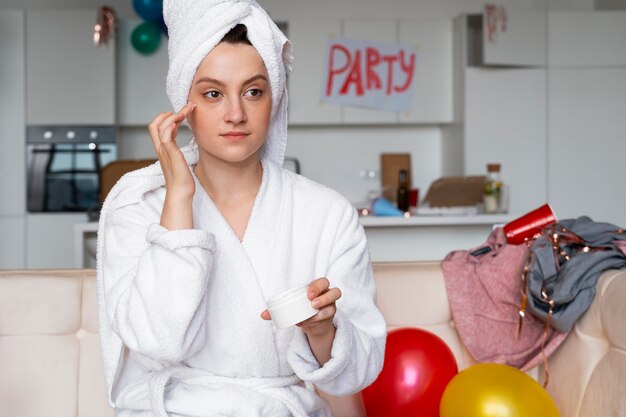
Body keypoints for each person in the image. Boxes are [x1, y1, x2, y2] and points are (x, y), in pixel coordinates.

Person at [96, 1, 386, 416]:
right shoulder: (139, 207)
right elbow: (159, 341)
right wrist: (179, 197)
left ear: (276, 98)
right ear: (184, 104)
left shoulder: (326, 212)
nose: (236, 113)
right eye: (213, 93)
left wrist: (323, 329)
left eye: (254, 91)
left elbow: (354, 375)